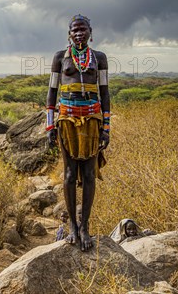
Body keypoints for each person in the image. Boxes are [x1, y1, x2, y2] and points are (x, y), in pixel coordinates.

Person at [46, 14, 111, 252]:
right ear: (69, 33)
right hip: (67, 120)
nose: (79, 33)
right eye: (75, 30)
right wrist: (49, 124)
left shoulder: (99, 58)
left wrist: (106, 127)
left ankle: (85, 227)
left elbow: (105, 93)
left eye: (83, 29)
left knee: (90, 175)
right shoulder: (59, 58)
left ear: (90, 32)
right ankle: (72, 225)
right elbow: (52, 92)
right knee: (70, 174)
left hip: (93, 120)